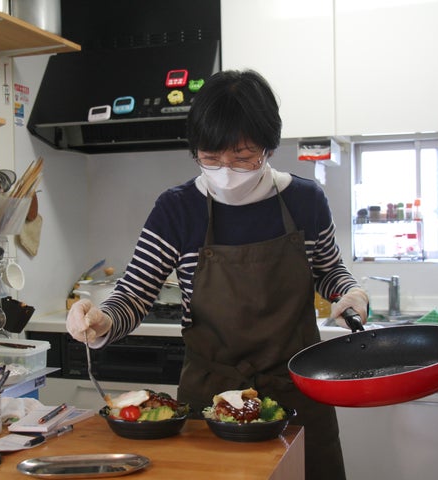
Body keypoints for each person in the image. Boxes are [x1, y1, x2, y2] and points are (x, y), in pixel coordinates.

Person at [66, 69, 368, 480]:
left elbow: (330, 271)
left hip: (295, 394)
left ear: (269, 146)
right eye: (210, 158)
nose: (226, 171)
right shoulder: (177, 209)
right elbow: (134, 295)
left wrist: (349, 293)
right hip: (210, 399)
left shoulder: (305, 200)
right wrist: (102, 318)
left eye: (243, 157)